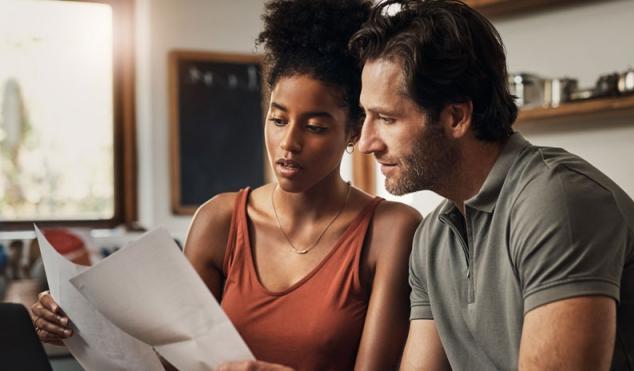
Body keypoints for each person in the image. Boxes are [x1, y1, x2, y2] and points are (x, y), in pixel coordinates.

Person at [31, 1, 422, 370]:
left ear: (355, 129)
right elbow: (167, 362)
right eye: (278, 119)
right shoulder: (219, 221)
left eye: (316, 127)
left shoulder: (390, 230)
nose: (289, 144)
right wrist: (77, 323)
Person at [350, 0, 634, 370]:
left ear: (456, 117)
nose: (366, 142)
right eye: (366, 117)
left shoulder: (556, 202)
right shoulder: (432, 239)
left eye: (387, 119)